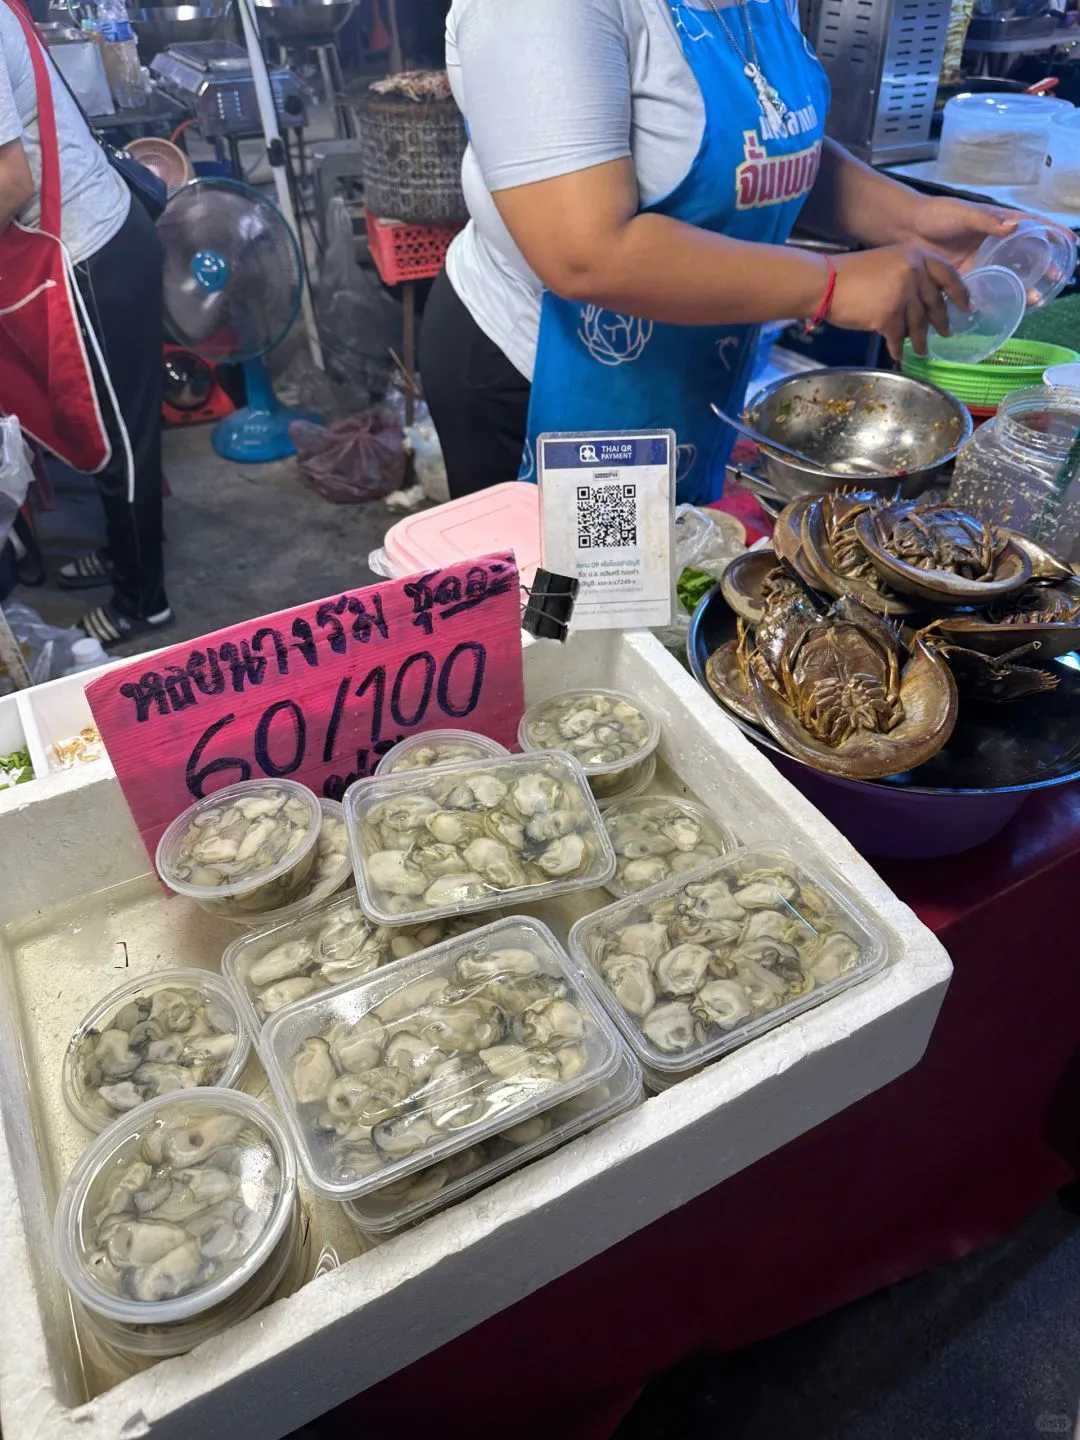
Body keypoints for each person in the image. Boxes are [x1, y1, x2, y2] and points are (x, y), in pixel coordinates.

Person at [420, 0, 1016, 503]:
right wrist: (830, 284)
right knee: (562, 615)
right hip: (545, 374)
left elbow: (757, 145)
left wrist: (910, 218)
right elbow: (584, 253)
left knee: (654, 588)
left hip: (684, 365)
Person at [0, 0, 172, 645]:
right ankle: (124, 548)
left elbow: (9, 181)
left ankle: (142, 600)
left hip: (88, 252)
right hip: (83, 245)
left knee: (121, 442)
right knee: (98, 431)